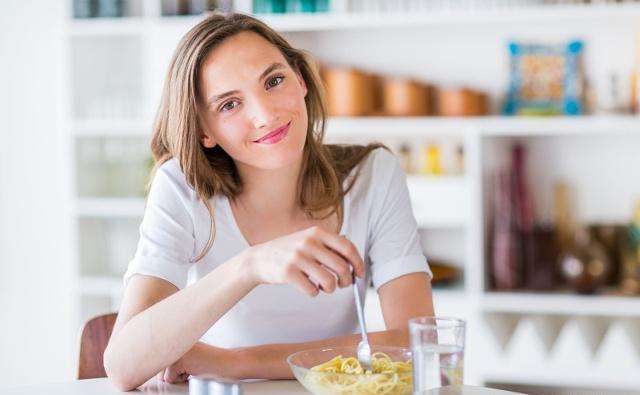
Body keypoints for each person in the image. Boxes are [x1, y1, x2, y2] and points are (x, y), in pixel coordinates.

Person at [103, 12, 434, 391]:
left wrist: (235, 362)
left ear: (302, 80)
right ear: (204, 131)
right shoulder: (183, 187)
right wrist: (250, 265)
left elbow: (416, 342)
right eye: (229, 104)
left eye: (274, 81)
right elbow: (123, 365)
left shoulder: (372, 174)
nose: (266, 115)